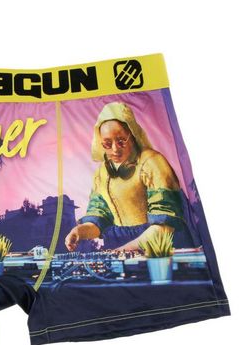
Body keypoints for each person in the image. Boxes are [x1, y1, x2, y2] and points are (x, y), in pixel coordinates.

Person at [65, 101, 191, 252]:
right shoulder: (101, 173)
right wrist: (79, 231)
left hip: (155, 243)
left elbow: (164, 225)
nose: (115, 149)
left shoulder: (152, 162)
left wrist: (121, 252)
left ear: (132, 135)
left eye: (121, 141)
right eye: (107, 144)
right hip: (118, 242)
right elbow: (99, 218)